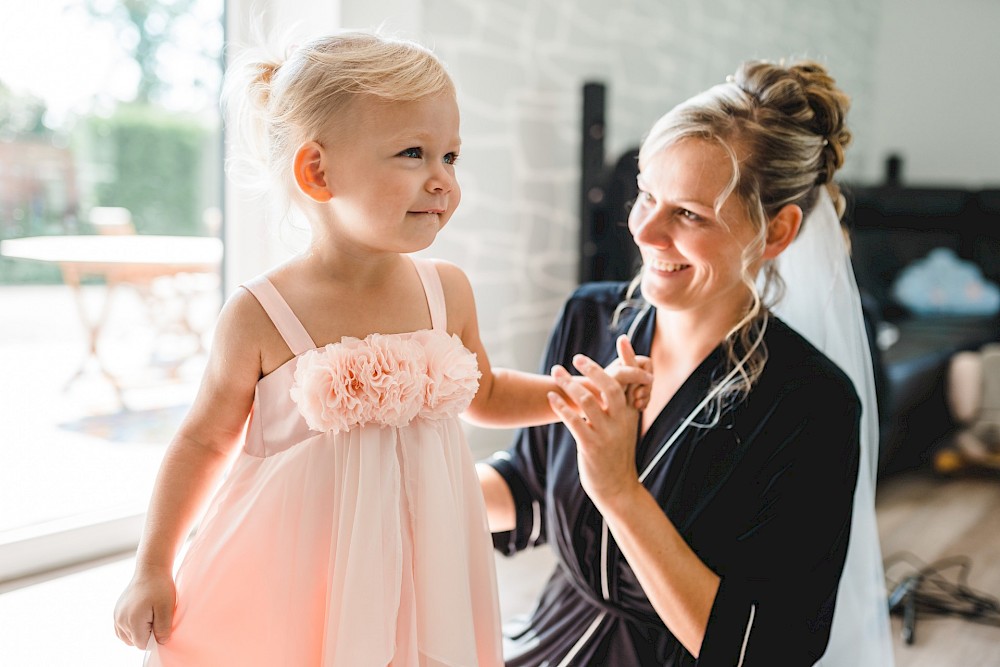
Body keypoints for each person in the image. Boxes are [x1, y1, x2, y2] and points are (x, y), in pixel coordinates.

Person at [112, 31, 650, 667]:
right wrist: (153, 565)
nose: (441, 181)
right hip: (301, 566)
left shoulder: (445, 291)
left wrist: (579, 395)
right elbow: (202, 442)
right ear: (317, 171)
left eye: (451, 156)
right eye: (413, 153)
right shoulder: (261, 314)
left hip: (422, 560)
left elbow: (490, 392)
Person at [478, 59, 894, 666]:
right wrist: (398, 477)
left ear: (776, 232)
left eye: (690, 214)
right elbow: (531, 491)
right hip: (549, 642)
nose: (646, 230)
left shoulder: (811, 403)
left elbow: (769, 649)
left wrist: (619, 490)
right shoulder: (591, 319)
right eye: (647, 194)